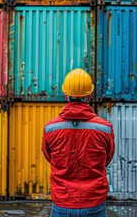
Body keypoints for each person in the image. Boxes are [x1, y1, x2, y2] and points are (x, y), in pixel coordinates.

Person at [42, 68, 115, 217]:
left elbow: (49, 157)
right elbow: (107, 159)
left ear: (66, 95)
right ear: (89, 96)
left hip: (63, 201)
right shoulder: (104, 128)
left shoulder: (50, 128)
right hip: (94, 200)